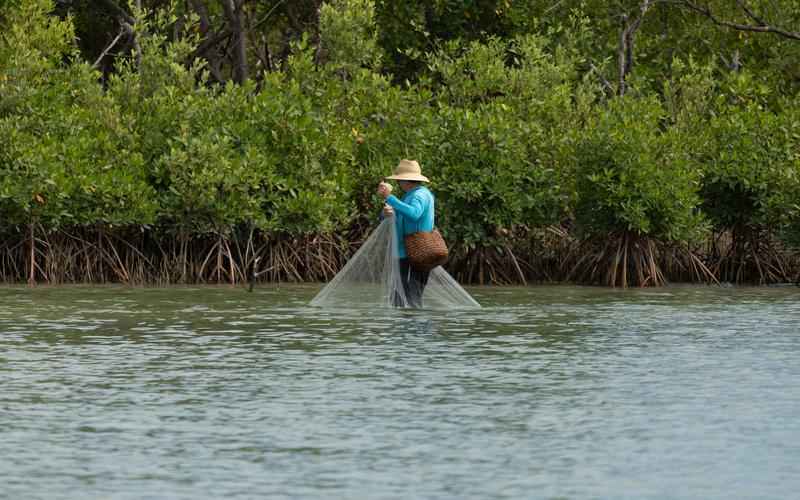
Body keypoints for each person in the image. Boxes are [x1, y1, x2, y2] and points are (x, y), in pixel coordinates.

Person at [377, 159, 435, 308]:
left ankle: (412, 329)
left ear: (404, 181)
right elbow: (399, 214)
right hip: (405, 251)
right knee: (399, 295)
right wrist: (386, 213)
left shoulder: (419, 195)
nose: (398, 183)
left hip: (419, 250)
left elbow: (414, 213)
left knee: (413, 294)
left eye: (399, 180)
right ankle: (404, 328)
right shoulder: (409, 195)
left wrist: (390, 197)